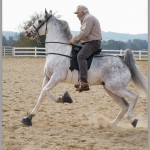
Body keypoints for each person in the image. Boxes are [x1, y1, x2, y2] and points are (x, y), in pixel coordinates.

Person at [68, 5, 102, 92]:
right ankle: (79, 79)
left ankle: (83, 81)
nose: (76, 15)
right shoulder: (86, 18)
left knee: (81, 56)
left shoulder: (88, 18)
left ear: (82, 12)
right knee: (76, 54)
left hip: (93, 43)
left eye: (77, 13)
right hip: (89, 42)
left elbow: (84, 33)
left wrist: (74, 40)